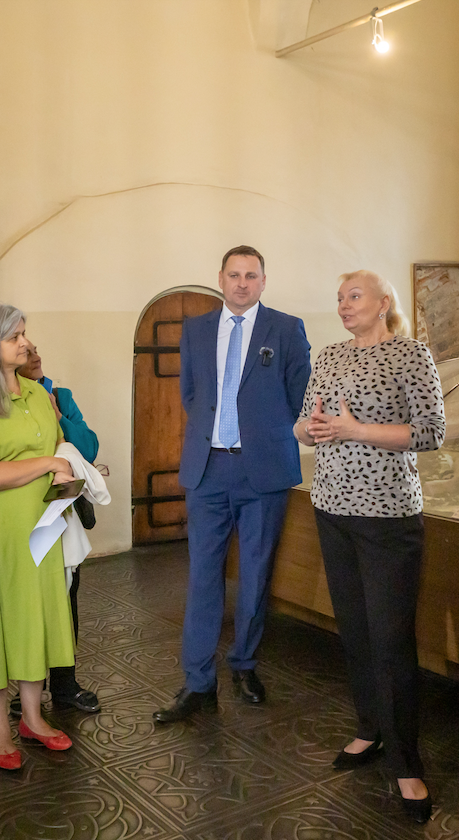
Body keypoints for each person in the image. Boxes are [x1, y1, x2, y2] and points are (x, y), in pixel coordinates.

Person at [294, 270, 445, 823]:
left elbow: (431, 432)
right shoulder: (330, 356)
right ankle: (370, 728)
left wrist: (356, 430)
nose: (343, 305)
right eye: (339, 298)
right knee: (354, 630)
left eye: (353, 296)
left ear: (383, 303)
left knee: (390, 638)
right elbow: (302, 426)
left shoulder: (410, 354)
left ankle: (407, 762)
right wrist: (311, 429)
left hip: (387, 515)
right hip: (331, 507)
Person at [153, 245, 311, 723]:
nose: (242, 283)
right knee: (203, 576)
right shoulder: (197, 329)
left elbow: (299, 397)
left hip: (263, 472)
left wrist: (261, 434)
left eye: (251, 275)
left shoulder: (286, 329)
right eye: (235, 275)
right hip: (208, 470)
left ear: (263, 281)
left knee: (256, 575)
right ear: (220, 278)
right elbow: (191, 394)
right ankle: (198, 682)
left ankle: (244, 664)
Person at [0, 302, 79, 768]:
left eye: (24, 333)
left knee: (36, 616)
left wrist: (70, 469)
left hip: (43, 525)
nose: (25, 343)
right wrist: (48, 463)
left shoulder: (37, 393)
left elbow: (59, 445)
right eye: (14, 337)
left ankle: (33, 717)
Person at [17, 341, 101, 713]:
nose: (35, 355)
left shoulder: (60, 395)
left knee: (66, 597)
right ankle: (27, 688)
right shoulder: (1, 400)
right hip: (22, 508)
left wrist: (56, 414)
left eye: (36, 350)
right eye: (26, 351)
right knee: (27, 603)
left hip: (60, 509)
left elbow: (89, 447)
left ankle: (65, 684)